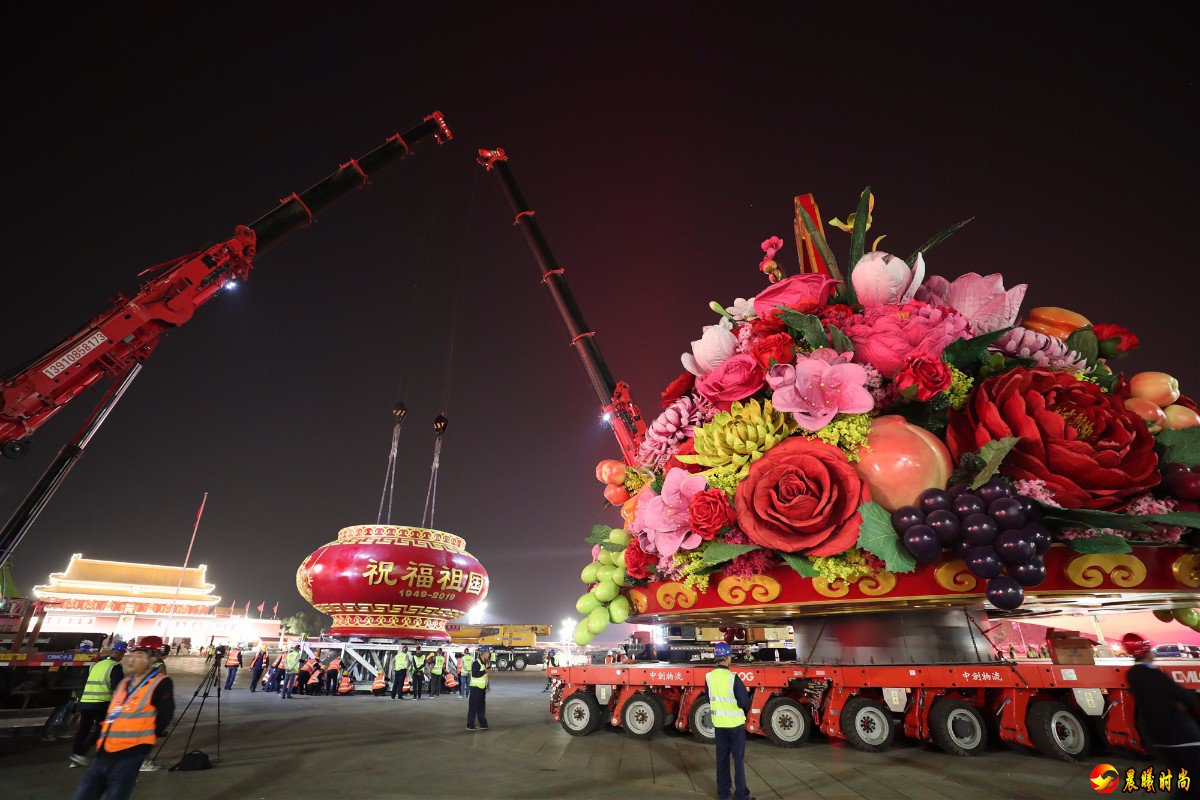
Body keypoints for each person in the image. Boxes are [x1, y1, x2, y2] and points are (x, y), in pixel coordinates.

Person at [71, 637, 174, 800]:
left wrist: (145, 740)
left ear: (153, 658)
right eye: (131, 655)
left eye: (139, 655)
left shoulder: (160, 683)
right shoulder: (124, 683)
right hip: (104, 752)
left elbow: (165, 716)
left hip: (129, 754)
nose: (131, 659)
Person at [1124, 632, 1200, 798]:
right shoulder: (1155, 674)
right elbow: (1184, 696)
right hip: (1179, 736)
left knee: (1186, 780)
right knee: (1194, 782)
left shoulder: (1132, 674)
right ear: (1147, 652)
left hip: (1158, 737)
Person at [706, 642, 754, 800]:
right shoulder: (733, 678)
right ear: (727, 658)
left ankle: (723, 793)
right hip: (735, 725)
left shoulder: (709, 677)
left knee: (721, 760)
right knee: (738, 761)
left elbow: (709, 698)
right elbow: (744, 702)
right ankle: (741, 795)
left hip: (719, 724)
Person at [69, 642, 127, 767]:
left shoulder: (95, 665)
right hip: (101, 703)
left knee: (83, 729)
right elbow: (117, 687)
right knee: (101, 728)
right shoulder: (115, 666)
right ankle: (82, 754)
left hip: (86, 701)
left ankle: (75, 755)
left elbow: (86, 682)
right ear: (121, 654)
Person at [466, 646, 491, 731]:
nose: (488, 655)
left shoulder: (485, 663)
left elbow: (485, 677)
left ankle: (483, 724)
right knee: (473, 707)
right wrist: (485, 671)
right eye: (487, 653)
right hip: (475, 688)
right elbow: (475, 674)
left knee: (481, 708)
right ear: (483, 653)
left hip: (482, 689)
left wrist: (487, 686)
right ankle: (470, 724)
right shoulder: (476, 663)